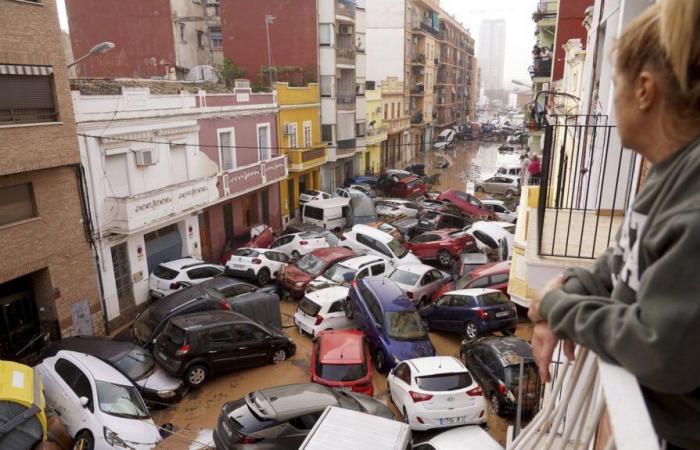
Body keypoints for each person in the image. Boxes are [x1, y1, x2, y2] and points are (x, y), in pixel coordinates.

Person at [528, 1, 700, 449]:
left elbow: (657, 346)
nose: (611, 97)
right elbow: (619, 261)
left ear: (644, 90)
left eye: (614, 82)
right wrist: (571, 285)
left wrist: (559, 308)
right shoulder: (667, 170)